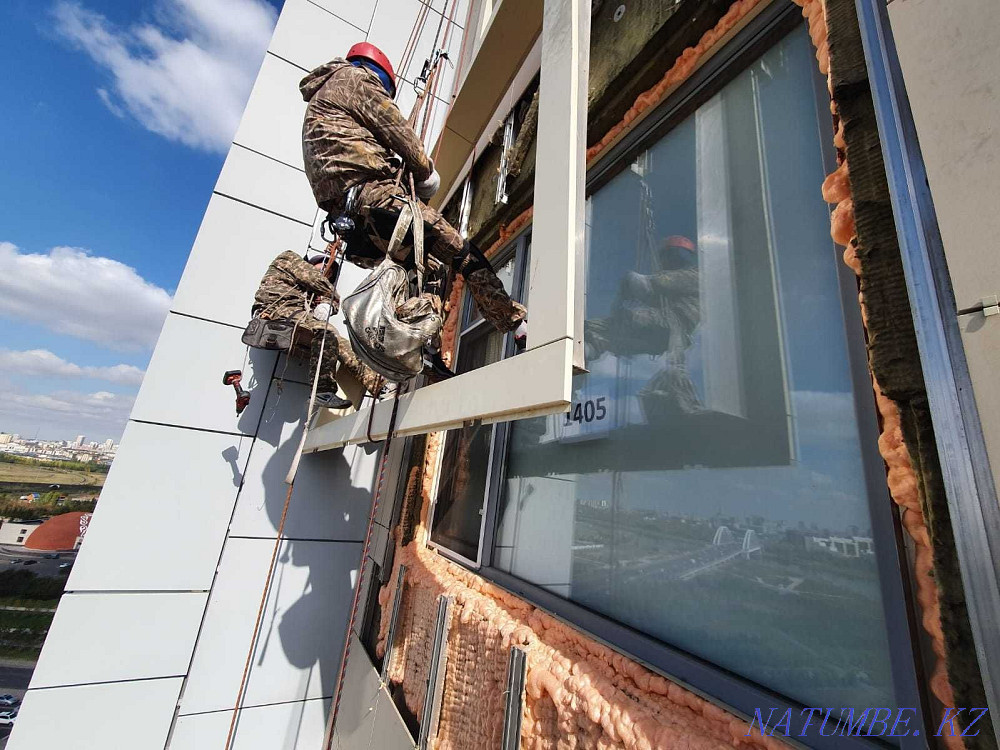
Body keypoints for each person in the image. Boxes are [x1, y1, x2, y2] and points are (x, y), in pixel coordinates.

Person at [299, 43, 527, 337]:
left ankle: (414, 338)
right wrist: (425, 172)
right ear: (378, 74)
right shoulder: (356, 80)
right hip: (377, 202)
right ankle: (516, 323)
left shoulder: (321, 103)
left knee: (429, 268)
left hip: (353, 225)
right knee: (462, 254)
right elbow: (400, 134)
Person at [585, 235, 702, 418]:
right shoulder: (668, 292)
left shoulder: (693, 276)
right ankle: (593, 345)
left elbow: (660, 283)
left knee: (631, 318)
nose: (671, 261)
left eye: (674, 256)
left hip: (672, 326)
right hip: (659, 336)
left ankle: (596, 342)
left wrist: (639, 283)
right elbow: (651, 292)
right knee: (605, 329)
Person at [252, 248, 384, 408]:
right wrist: (333, 297)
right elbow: (313, 278)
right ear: (311, 263)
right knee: (328, 331)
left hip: (293, 319)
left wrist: (329, 305)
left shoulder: (309, 293)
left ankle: (378, 386)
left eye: (330, 275)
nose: (326, 273)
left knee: (338, 343)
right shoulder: (288, 258)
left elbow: (324, 294)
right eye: (325, 267)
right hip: (275, 312)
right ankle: (324, 390)